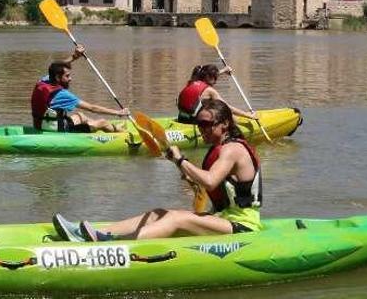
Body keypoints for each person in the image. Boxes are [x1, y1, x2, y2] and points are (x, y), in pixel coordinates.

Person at [53, 98, 262, 242]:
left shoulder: (233, 149)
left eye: (207, 124)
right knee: (158, 213)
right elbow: (208, 188)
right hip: (222, 217)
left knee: (177, 218)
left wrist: (181, 160)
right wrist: (182, 169)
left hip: (242, 225)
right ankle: (91, 232)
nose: (202, 128)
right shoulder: (220, 149)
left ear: (225, 124)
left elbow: (210, 181)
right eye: (199, 124)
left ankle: (114, 242)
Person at [30, 44, 130, 133]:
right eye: (67, 76)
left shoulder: (43, 81)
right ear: (57, 77)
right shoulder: (61, 95)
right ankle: (121, 134)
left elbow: (55, 67)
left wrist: (75, 56)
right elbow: (92, 108)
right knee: (102, 122)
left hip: (41, 125)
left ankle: (114, 128)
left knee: (81, 116)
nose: (70, 79)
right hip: (57, 129)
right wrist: (118, 112)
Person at [176, 64, 257, 124]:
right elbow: (227, 107)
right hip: (192, 121)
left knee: (209, 106)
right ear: (209, 77)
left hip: (181, 118)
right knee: (225, 113)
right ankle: (237, 125)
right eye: (215, 79)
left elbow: (209, 74)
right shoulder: (210, 91)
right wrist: (249, 116)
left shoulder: (193, 80)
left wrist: (224, 70)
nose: (216, 82)